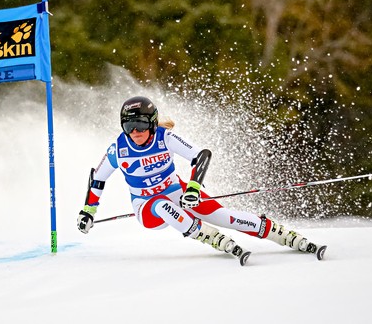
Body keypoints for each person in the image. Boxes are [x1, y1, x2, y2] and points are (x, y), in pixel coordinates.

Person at [77, 96, 326, 265]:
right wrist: (88, 211)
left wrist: (194, 187)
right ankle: (209, 237)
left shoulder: (165, 138)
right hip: (146, 206)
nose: (135, 132)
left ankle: (283, 235)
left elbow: (201, 156)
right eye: (128, 125)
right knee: (165, 207)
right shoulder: (117, 150)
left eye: (140, 124)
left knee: (224, 216)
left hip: (176, 190)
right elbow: (97, 179)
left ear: (152, 123)